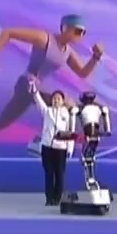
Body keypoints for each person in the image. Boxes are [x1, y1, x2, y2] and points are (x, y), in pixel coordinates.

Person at [0, 14, 104, 145]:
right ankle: (48, 141)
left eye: (83, 33)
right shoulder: (44, 39)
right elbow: (8, 32)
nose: (80, 35)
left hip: (35, 89)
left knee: (2, 122)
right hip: (26, 84)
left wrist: (95, 58)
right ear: (65, 28)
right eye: (78, 31)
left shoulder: (67, 52)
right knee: (64, 103)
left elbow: (82, 73)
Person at [28, 77, 75, 206]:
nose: (56, 100)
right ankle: (49, 198)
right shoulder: (47, 111)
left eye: (58, 99)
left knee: (59, 174)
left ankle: (58, 198)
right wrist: (34, 89)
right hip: (47, 147)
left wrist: (70, 148)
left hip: (61, 148)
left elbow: (71, 132)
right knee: (48, 174)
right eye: (54, 98)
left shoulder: (67, 114)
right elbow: (38, 100)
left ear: (62, 101)